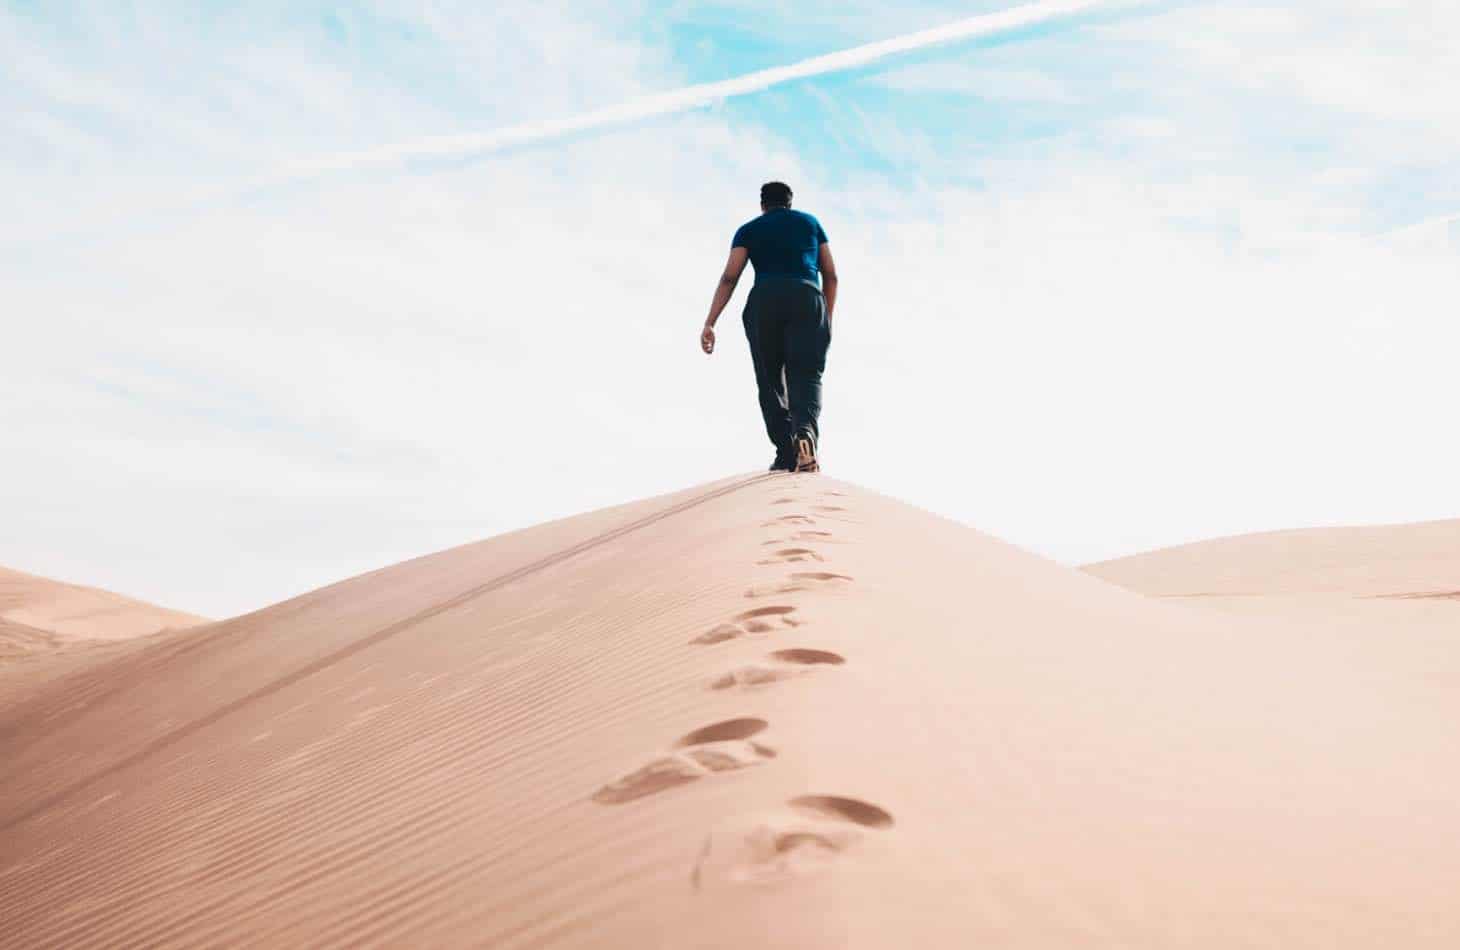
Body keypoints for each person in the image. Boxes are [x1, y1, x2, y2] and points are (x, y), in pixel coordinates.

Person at [700, 181, 838, 473]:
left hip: (765, 300)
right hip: (808, 297)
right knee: (806, 374)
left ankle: (787, 452)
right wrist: (826, 316)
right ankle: (805, 434)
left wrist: (710, 321)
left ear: (763, 205)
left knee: (770, 379)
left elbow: (730, 277)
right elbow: (831, 275)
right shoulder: (811, 224)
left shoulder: (749, 230)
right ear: (790, 202)